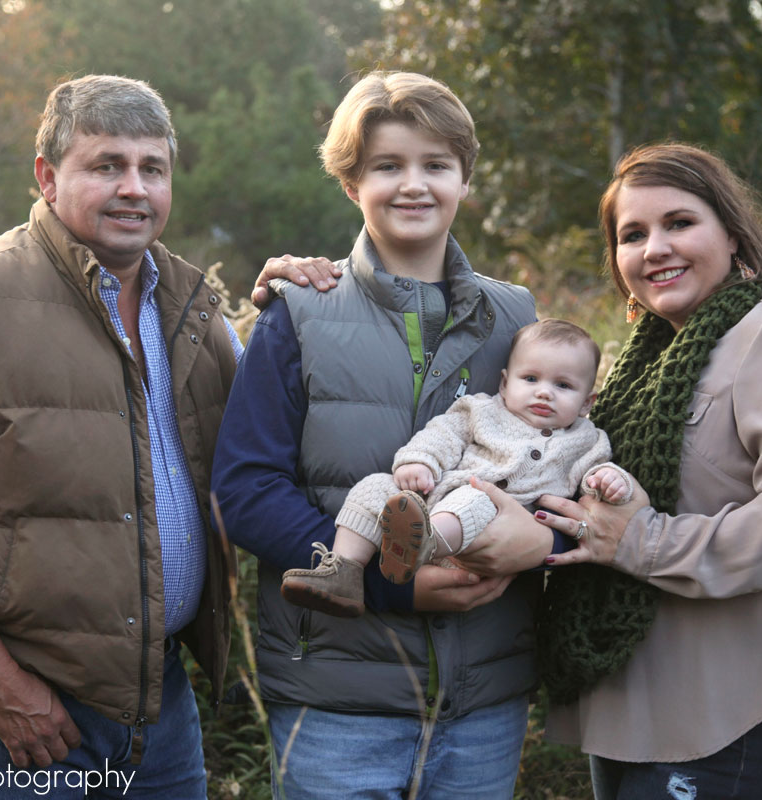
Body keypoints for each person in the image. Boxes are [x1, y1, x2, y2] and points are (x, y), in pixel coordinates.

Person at [0, 74, 325, 799]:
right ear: (48, 177)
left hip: (158, 699)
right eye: (106, 165)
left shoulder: (194, 306)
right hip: (19, 708)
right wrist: (0, 683)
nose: (133, 188)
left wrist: (291, 315)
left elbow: (266, 448)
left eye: (153, 168)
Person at [211, 71, 549, 798]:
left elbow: (557, 459)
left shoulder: (518, 318)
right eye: (387, 166)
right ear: (351, 182)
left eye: (436, 165)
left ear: (465, 177)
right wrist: (387, 586)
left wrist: (543, 542)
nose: (413, 185)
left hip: (485, 701)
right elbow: (246, 490)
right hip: (338, 700)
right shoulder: (299, 311)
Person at [503, 143, 762, 799]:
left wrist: (641, 540)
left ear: (732, 232)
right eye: (632, 235)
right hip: (629, 720)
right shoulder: (643, 365)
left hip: (734, 726)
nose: (654, 249)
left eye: (679, 223)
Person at [280, 318, 634, 618]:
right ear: (504, 383)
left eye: (563, 385)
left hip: (493, 525)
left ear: (588, 402)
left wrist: (608, 480)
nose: (544, 393)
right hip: (432, 498)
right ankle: (342, 570)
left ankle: (423, 543)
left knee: (475, 499)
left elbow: (593, 482)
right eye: (531, 379)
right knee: (375, 486)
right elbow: (443, 435)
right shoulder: (480, 411)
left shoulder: (587, 440)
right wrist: (420, 461)